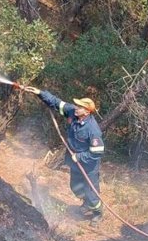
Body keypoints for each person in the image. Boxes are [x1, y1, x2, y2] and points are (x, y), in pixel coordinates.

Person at [24, 86, 105, 226]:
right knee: (75, 187)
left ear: (87, 112)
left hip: (88, 165)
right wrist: (40, 93)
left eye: (80, 106)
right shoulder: (72, 113)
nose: (76, 107)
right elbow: (57, 102)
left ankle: (98, 213)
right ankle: (86, 204)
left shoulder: (93, 130)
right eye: (77, 105)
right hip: (74, 162)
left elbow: (97, 152)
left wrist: (79, 157)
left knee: (91, 193)